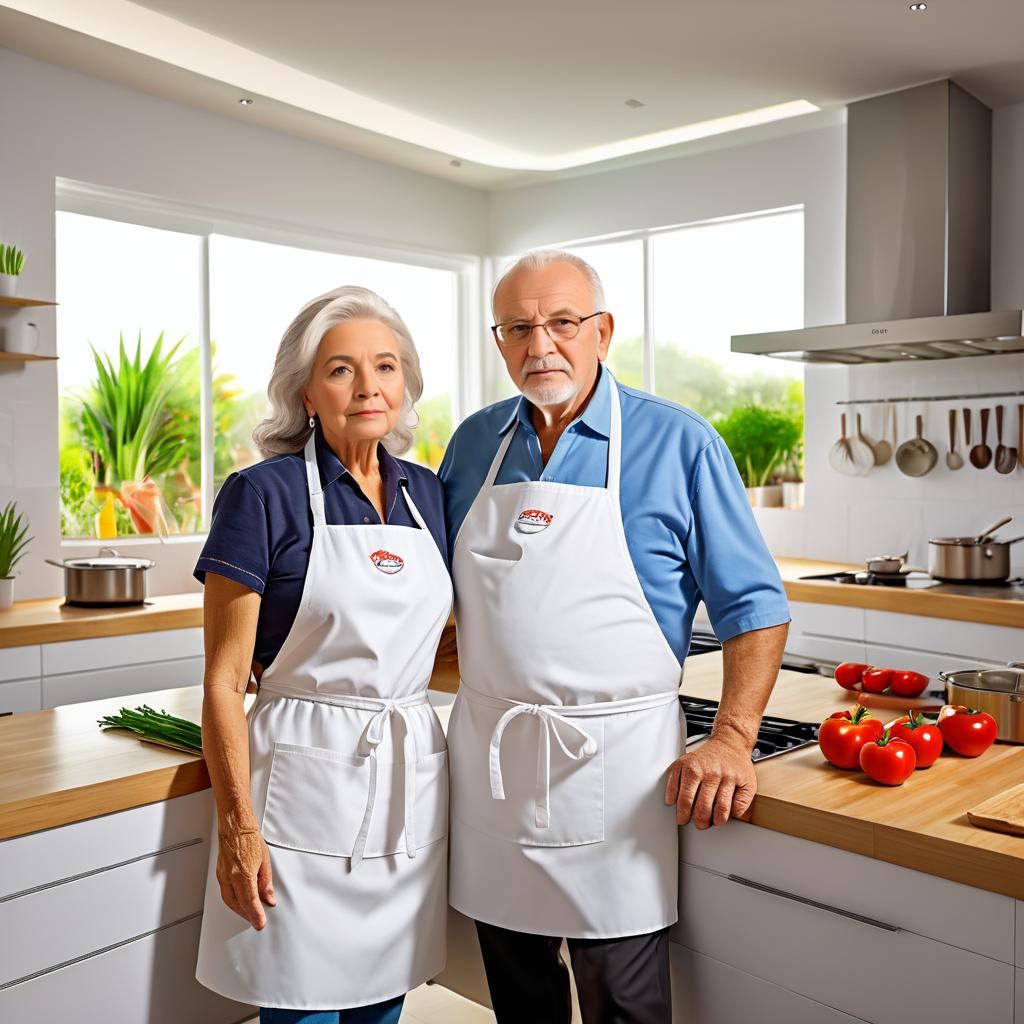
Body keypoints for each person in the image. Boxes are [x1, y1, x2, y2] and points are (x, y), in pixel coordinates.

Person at [438, 250, 791, 1024]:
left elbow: (756, 607)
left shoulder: (679, 443)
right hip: (494, 761)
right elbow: (441, 601)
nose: (541, 346)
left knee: (623, 1003)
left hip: (618, 773)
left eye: (563, 323)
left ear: (603, 330)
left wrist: (732, 738)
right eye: (519, 328)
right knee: (518, 993)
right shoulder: (471, 446)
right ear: (498, 341)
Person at [193, 286, 453, 1024]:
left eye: (386, 366)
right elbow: (221, 682)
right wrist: (239, 830)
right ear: (306, 390)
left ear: (406, 385)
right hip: (299, 797)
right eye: (342, 369)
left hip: (406, 786)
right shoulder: (259, 495)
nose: (369, 387)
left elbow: (426, 643)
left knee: (383, 1004)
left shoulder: (428, 494)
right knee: (299, 1006)